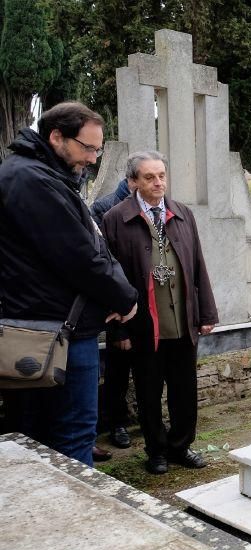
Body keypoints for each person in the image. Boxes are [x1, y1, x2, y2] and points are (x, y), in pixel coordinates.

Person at [0, 101, 138, 467]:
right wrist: (125, 298)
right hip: (54, 333)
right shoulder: (31, 179)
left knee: (46, 437)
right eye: (87, 148)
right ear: (56, 136)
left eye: (98, 149)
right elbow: (80, 256)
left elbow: (92, 245)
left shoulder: (45, 175)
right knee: (71, 436)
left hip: (57, 325)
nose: (92, 159)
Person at [101, 151, 218, 475]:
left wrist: (206, 312)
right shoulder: (115, 219)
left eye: (162, 175)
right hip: (143, 326)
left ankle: (181, 445)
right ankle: (156, 451)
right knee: (148, 393)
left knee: (185, 390)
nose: (158, 183)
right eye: (150, 177)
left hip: (182, 321)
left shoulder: (182, 214)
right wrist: (119, 331)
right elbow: (109, 279)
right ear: (134, 181)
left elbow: (197, 266)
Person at [91, 179, 137, 450]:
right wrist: (119, 328)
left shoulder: (153, 207)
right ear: (133, 180)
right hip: (120, 308)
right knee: (118, 371)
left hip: (145, 306)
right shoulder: (105, 209)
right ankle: (116, 423)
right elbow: (106, 267)